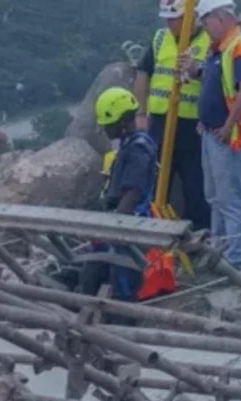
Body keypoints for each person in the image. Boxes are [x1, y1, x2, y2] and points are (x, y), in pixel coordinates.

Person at [178, 0, 241, 268]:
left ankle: (234, 260)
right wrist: (195, 72)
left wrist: (227, 125)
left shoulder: (238, 47)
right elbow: (217, 82)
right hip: (212, 132)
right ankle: (219, 252)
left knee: (229, 199)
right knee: (215, 197)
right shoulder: (221, 48)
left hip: (230, 136)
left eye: (206, 21)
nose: (205, 28)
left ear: (220, 17)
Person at [134, 0, 211, 230]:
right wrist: (140, 112)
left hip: (191, 125)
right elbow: (142, 74)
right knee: (156, 180)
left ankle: (198, 233)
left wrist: (196, 70)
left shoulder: (210, 40)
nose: (169, 24)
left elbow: (219, 80)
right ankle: (152, 230)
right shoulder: (160, 38)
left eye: (174, 18)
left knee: (195, 183)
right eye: (167, 18)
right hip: (159, 120)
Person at [93, 87, 159, 324]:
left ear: (120, 121)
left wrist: (113, 228)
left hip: (130, 226)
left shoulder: (138, 149)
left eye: (106, 124)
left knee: (123, 286)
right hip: (121, 222)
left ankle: (126, 330)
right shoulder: (129, 144)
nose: (104, 129)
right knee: (98, 275)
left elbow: (132, 193)